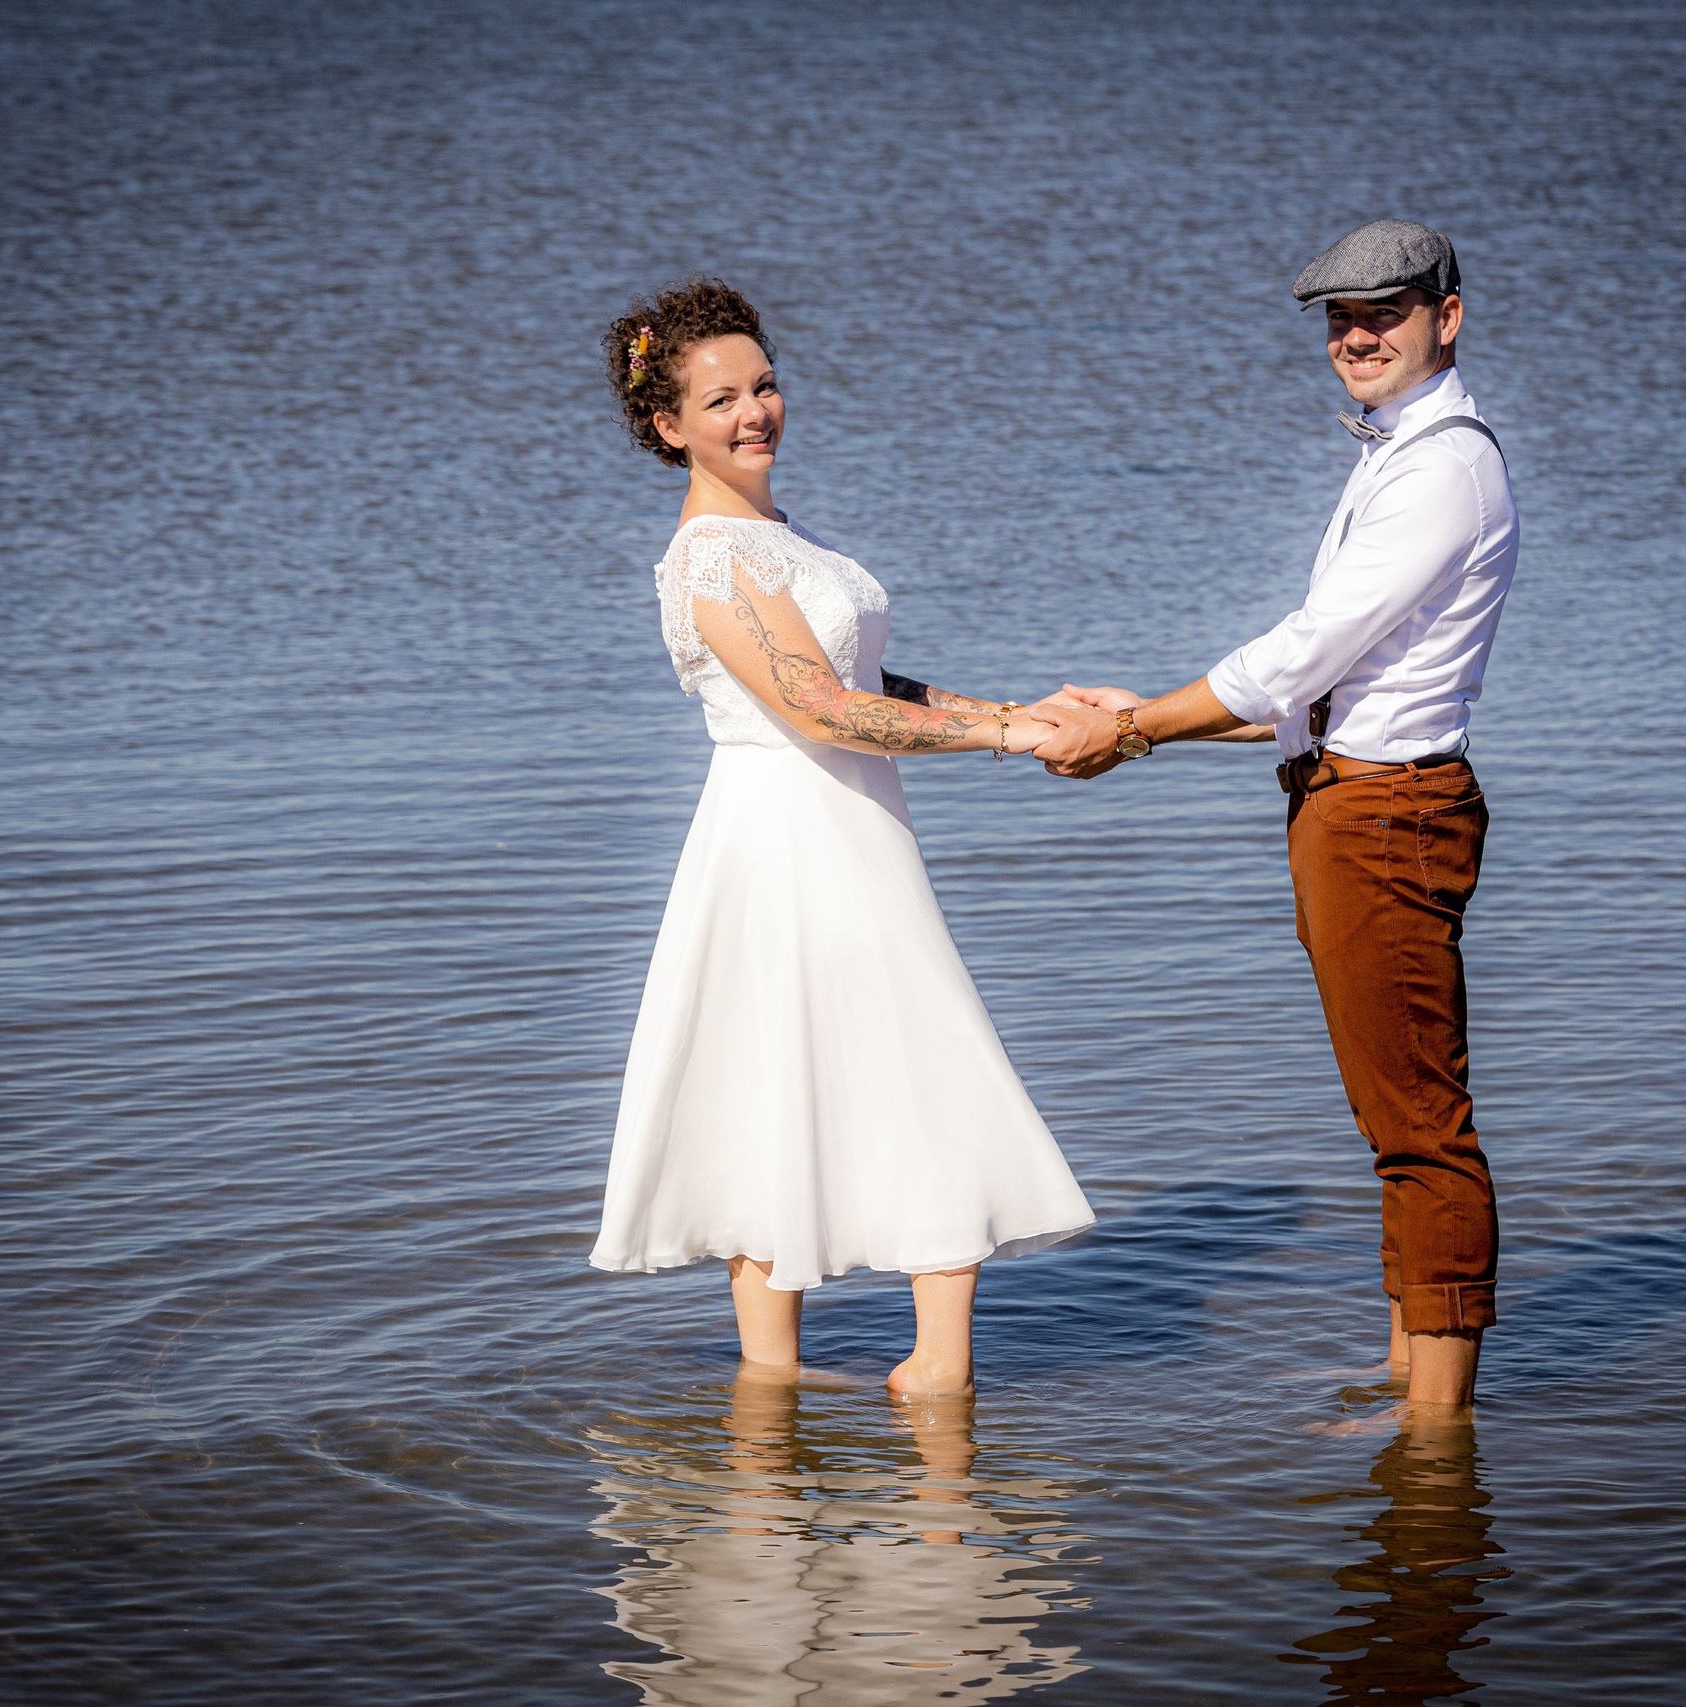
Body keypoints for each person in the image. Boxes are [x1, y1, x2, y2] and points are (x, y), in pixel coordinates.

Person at [1032, 220, 1517, 1410]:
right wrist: (1147, 712)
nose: (1356, 337)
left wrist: (1137, 730)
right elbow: (1326, 689)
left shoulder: (1441, 469)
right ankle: (1406, 1369)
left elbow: (1301, 654)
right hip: (1355, 802)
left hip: (1386, 816)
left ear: (1446, 318)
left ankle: (1434, 1430)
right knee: (1393, 1106)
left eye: (1384, 314)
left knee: (1418, 1119)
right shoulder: (1401, 455)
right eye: (1340, 321)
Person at [588, 278, 1094, 1398]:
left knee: (826, 1071)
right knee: (869, 1068)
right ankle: (899, 1383)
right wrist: (1008, 738)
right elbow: (818, 708)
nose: (754, 413)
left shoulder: (773, 535)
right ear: (669, 426)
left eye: (764, 385)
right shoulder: (713, 555)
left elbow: (866, 678)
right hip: (789, 838)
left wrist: (1014, 710)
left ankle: (788, 1408)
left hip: (849, 823)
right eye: (720, 400)